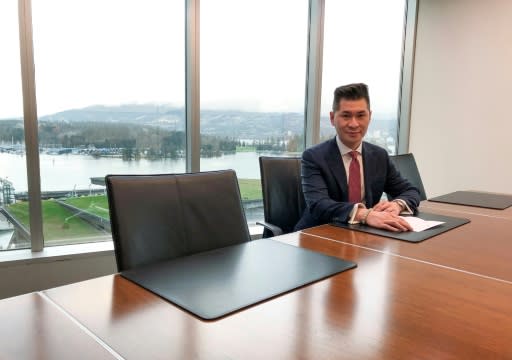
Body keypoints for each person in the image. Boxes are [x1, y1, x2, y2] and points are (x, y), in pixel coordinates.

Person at [294, 83, 420, 232]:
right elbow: (319, 204)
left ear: (370, 116)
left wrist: (397, 205)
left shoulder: (379, 156)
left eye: (361, 115)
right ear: (332, 117)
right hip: (319, 234)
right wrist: (365, 214)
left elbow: (411, 191)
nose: (354, 124)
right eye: (346, 115)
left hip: (363, 235)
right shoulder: (314, 157)